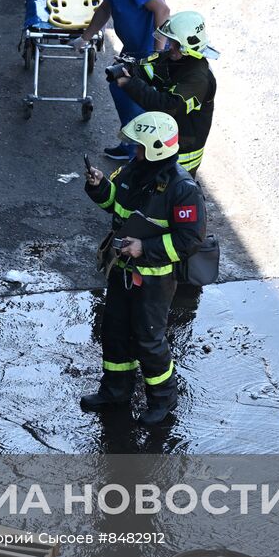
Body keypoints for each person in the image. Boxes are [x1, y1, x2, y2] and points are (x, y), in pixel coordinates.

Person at [81, 111, 207, 425]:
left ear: (156, 149)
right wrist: (99, 186)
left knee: (149, 340)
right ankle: (115, 391)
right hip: (122, 271)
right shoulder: (133, 172)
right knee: (114, 332)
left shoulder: (182, 189)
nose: (134, 150)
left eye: (139, 146)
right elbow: (116, 205)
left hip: (155, 279)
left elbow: (190, 238)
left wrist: (144, 248)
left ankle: (162, 401)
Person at [76, 0, 172, 161]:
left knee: (132, 94)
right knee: (119, 88)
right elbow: (106, 7)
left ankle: (140, 154)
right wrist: (85, 37)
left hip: (147, 51)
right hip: (133, 48)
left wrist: (158, 54)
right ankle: (131, 146)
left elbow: (162, 10)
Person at [113, 11, 218, 173]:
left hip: (182, 153)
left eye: (175, 43)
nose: (170, 47)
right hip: (164, 140)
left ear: (188, 46)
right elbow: (151, 68)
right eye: (170, 41)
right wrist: (130, 68)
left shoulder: (199, 79)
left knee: (172, 194)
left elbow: (167, 106)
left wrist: (129, 83)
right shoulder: (177, 58)